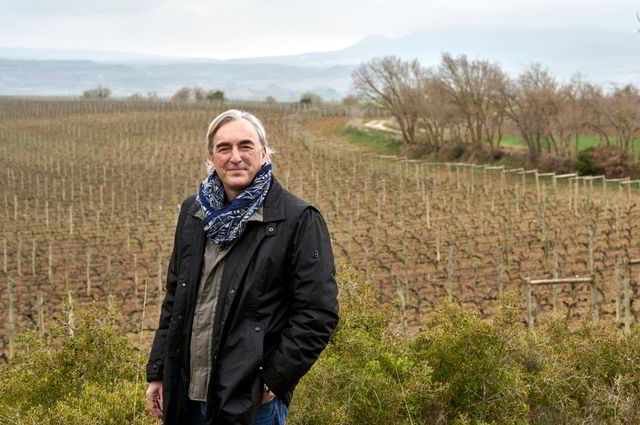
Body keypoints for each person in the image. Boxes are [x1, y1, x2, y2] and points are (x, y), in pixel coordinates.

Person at [145, 109, 339, 425]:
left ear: (264, 152)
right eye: (224, 148)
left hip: (252, 405)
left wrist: (272, 382)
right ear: (211, 157)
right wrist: (159, 371)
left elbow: (318, 314)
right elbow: (174, 301)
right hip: (186, 398)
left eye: (245, 146)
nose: (235, 157)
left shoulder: (297, 219)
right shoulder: (192, 212)